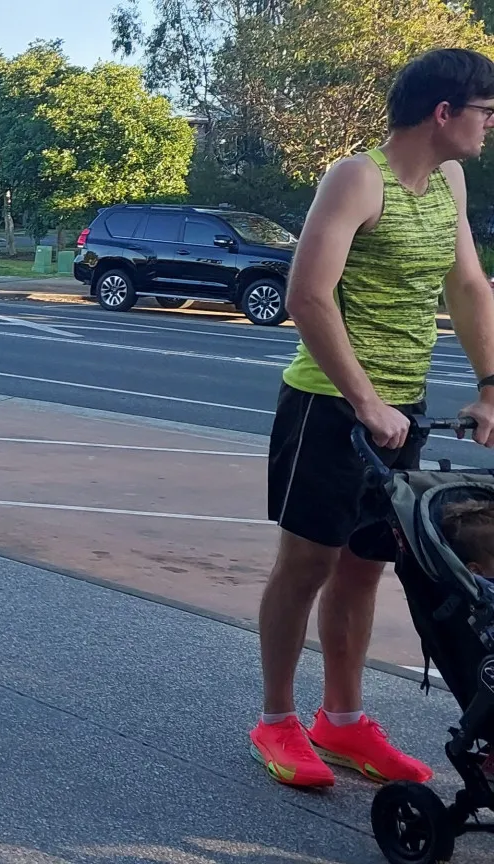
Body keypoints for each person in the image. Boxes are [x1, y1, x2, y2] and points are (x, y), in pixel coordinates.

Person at [252, 47, 494, 789]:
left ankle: (343, 720)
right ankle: (276, 719)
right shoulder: (358, 178)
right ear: (443, 113)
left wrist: (491, 386)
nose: (490, 125)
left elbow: (468, 286)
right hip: (328, 405)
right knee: (307, 566)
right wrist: (363, 398)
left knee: (365, 567)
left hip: (400, 411)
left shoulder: (449, 182)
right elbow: (307, 295)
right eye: (485, 112)